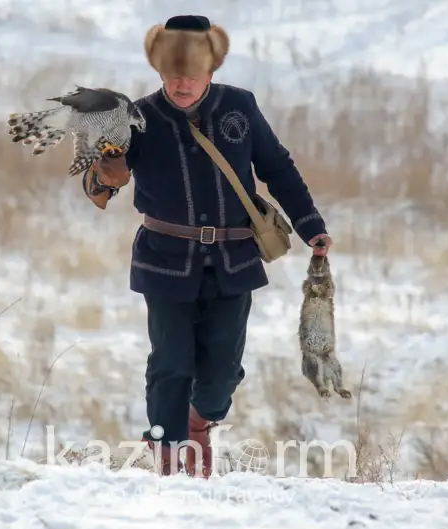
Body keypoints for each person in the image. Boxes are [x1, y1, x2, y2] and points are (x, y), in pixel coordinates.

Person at [81, 14, 332, 478]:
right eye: (172, 74)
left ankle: (200, 422)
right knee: (170, 363)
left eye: (191, 73)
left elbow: (277, 167)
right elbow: (96, 190)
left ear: (211, 70)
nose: (181, 84)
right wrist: (106, 174)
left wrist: (309, 224)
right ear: (159, 71)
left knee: (220, 374)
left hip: (233, 260)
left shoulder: (240, 107)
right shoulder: (136, 118)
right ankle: (168, 452)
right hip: (166, 260)